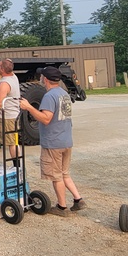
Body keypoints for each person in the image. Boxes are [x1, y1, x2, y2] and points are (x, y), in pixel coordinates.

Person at [19, 66, 86, 217]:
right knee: (64, 173)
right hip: (66, 140)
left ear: (46, 79)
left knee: (56, 177)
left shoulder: (49, 96)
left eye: (42, 76)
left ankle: (62, 207)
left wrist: (29, 107)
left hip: (53, 142)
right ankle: (78, 199)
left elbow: (46, 119)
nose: (40, 78)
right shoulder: (64, 94)